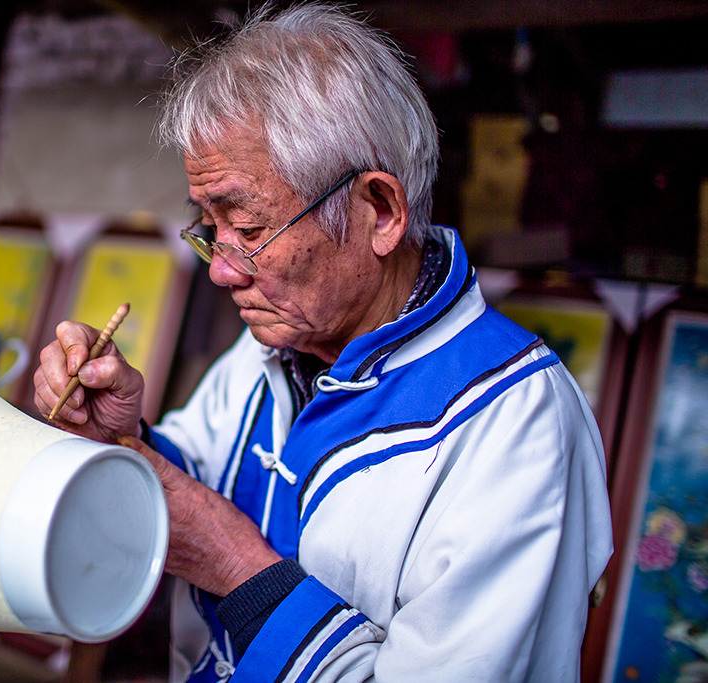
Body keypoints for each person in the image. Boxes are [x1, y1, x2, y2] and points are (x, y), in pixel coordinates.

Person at [33, 3, 613, 681]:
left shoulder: (516, 422)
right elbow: (200, 481)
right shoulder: (267, 351)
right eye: (209, 229)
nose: (221, 269)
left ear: (381, 211)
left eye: (248, 230)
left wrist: (233, 562)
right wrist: (129, 438)